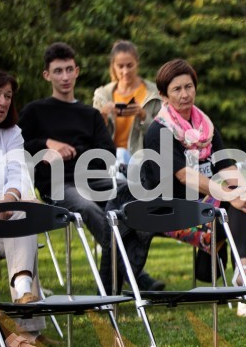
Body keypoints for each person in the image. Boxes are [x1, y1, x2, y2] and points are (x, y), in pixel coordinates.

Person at [18, 43, 163, 294]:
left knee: (138, 194)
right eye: (58, 71)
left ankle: (123, 275)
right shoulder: (34, 112)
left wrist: (74, 153)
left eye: (69, 70)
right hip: (59, 185)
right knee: (90, 208)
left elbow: (106, 154)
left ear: (77, 71)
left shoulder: (90, 115)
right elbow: (17, 146)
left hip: (95, 180)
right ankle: (133, 275)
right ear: (47, 75)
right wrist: (47, 144)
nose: (64, 77)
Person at [142, 59, 246, 291]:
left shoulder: (206, 126)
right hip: (169, 208)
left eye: (189, 87)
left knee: (242, 200)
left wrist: (244, 188)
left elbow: (224, 164)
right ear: (163, 96)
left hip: (203, 201)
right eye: (177, 89)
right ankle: (242, 280)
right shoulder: (159, 131)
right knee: (234, 200)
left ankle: (242, 273)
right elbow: (184, 175)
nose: (185, 94)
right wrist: (227, 194)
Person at [0, 68, 47, 342]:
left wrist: (11, 197)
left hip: (4, 220)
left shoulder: (12, 133)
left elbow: (17, 172)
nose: (3, 101)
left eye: (7, 96)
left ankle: (22, 289)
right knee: (23, 229)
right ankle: (28, 321)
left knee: (24, 216)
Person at [92, 40, 162, 164]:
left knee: (121, 154)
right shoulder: (103, 96)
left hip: (143, 160)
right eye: (120, 66)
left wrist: (143, 116)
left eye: (130, 65)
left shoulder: (153, 94)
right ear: (113, 66)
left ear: (137, 63)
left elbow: (162, 134)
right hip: (110, 160)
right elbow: (93, 135)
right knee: (119, 153)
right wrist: (102, 115)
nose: (125, 71)